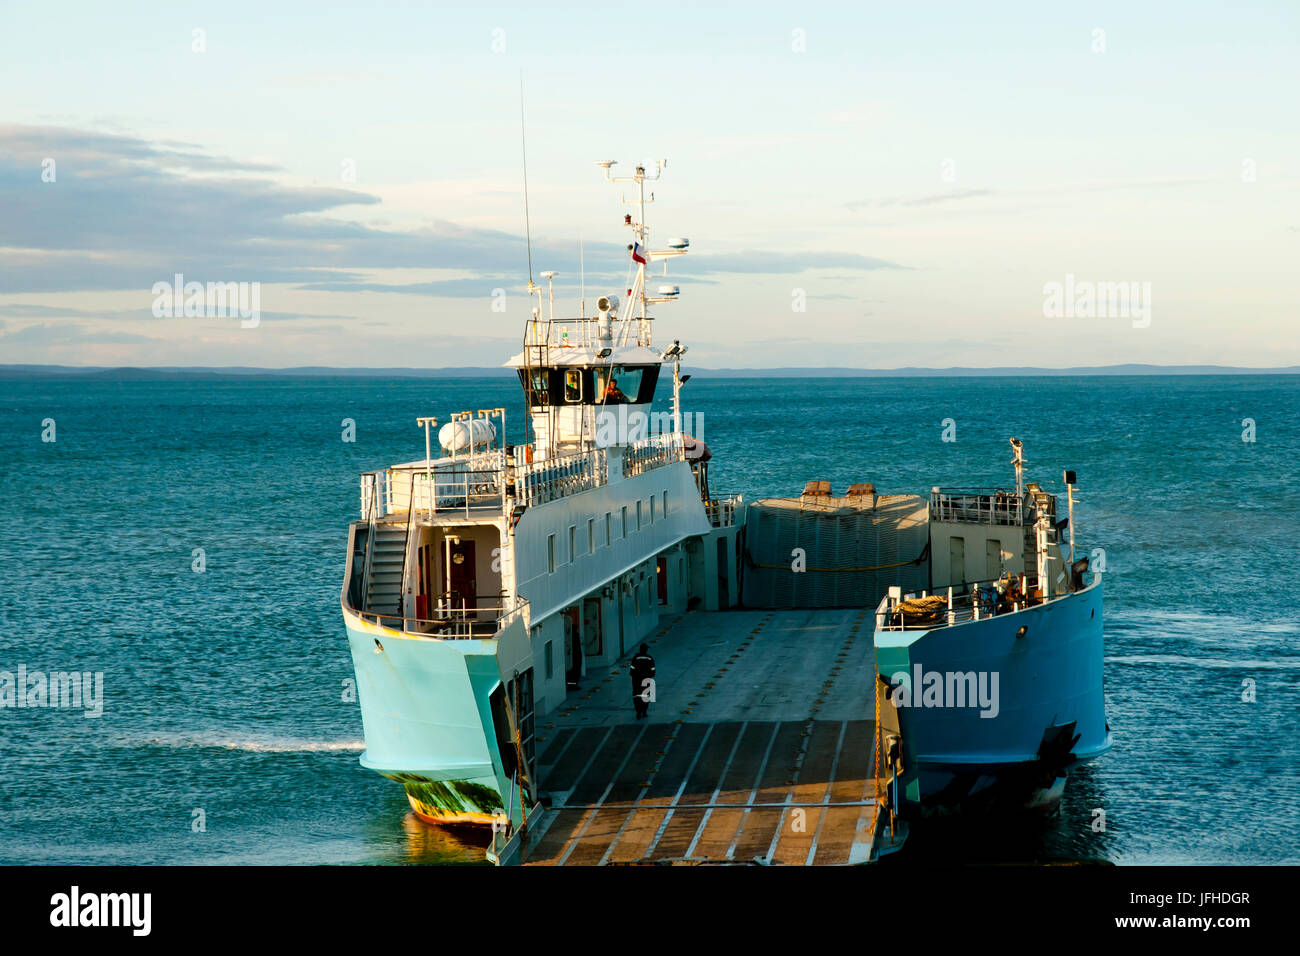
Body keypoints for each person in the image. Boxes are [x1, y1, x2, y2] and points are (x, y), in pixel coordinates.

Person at [629, 643, 656, 719]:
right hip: (646, 679)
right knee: (646, 696)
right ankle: (644, 712)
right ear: (646, 650)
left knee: (637, 695)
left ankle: (638, 711)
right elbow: (653, 670)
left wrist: (634, 677)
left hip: (637, 679)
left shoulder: (635, 657)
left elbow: (632, 670)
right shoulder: (649, 658)